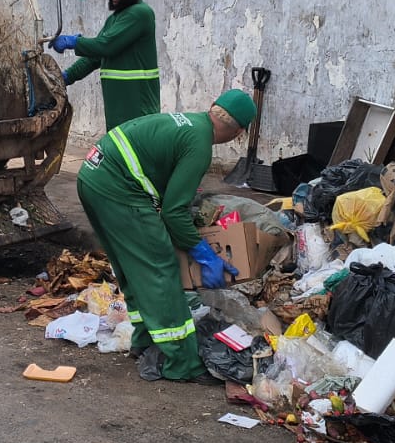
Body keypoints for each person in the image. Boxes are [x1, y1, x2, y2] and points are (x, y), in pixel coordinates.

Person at [75, 90, 258, 383]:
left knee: (133, 267)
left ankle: (144, 339)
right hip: (117, 189)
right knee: (159, 267)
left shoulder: (190, 123)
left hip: (92, 176)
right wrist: (204, 253)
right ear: (238, 133)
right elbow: (174, 213)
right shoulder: (199, 145)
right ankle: (182, 363)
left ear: (213, 107)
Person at [51, 0, 159, 131]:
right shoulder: (115, 19)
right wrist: (66, 77)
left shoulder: (140, 13)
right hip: (118, 103)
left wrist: (74, 42)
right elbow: (95, 57)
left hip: (137, 102)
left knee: (136, 144)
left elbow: (105, 46)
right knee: (119, 144)